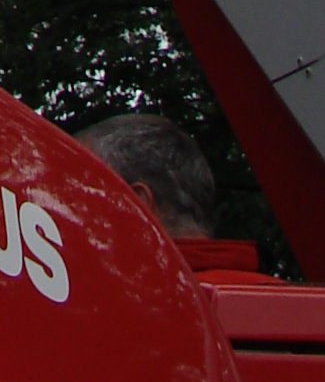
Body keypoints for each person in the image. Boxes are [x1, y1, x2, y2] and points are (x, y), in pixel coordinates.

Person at [74, 110, 273, 281]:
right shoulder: (278, 300)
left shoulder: (130, 305)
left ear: (134, 207)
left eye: (81, 200)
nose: (71, 219)